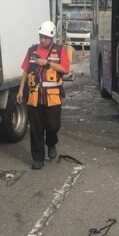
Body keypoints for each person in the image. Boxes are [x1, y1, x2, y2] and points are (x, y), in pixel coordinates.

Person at [17, 20, 71, 170]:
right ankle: (38, 159)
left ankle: (51, 142)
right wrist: (21, 90)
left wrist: (47, 63)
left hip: (53, 98)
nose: (43, 40)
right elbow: (26, 71)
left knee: (53, 126)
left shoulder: (60, 50)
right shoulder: (32, 50)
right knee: (35, 129)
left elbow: (65, 69)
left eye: (46, 37)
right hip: (34, 97)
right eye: (41, 36)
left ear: (52, 37)